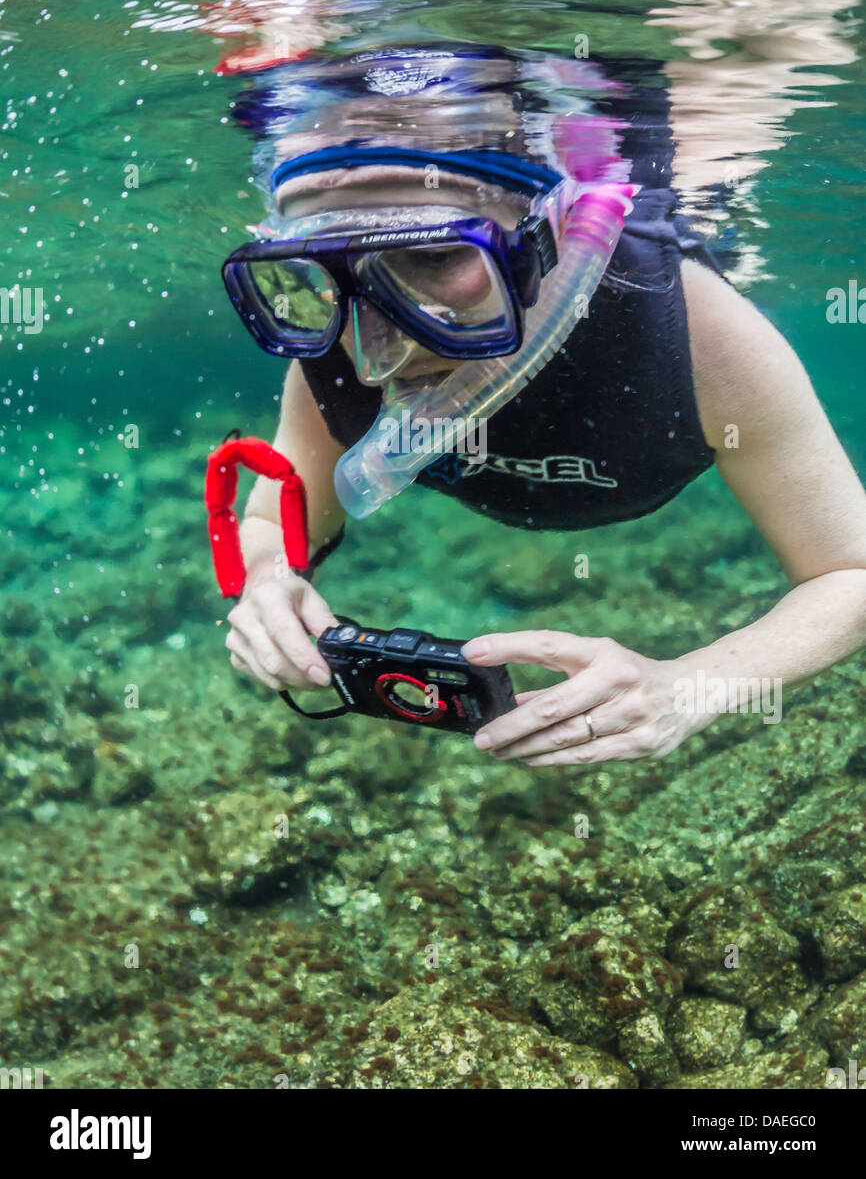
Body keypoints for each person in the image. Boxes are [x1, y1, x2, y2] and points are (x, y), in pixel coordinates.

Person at [222, 46, 866, 768]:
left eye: (433, 258)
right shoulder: (334, 347)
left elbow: (851, 571)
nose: (380, 350)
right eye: (325, 272)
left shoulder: (692, 330)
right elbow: (273, 521)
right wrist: (268, 586)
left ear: (550, 234)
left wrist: (688, 689)